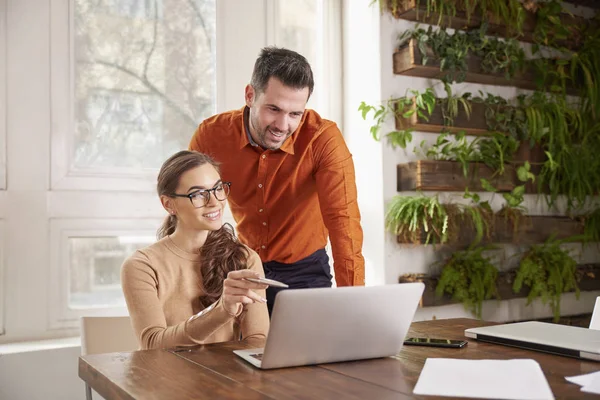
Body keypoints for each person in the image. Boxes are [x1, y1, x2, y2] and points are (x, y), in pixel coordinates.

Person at [189, 47, 365, 315]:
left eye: (296, 114)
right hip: (240, 267)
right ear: (250, 95)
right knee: (233, 355)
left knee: (310, 354)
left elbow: (344, 224)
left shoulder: (323, 139)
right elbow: (190, 210)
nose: (283, 125)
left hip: (305, 270)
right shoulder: (211, 135)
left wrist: (354, 309)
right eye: (273, 109)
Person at [121, 150, 269, 350]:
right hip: (165, 379)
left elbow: (259, 341)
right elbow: (153, 344)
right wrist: (222, 310)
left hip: (226, 378)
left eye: (218, 188)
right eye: (198, 194)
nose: (215, 202)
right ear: (168, 204)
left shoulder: (245, 258)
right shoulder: (142, 266)